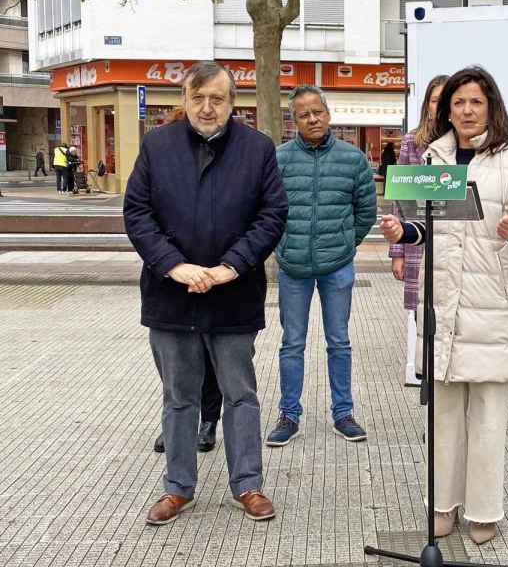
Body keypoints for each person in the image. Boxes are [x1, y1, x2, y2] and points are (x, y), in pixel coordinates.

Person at [379, 66, 508, 545]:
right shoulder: (434, 158)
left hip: (491, 306)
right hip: (442, 306)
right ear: (446, 110)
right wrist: (401, 232)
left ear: (491, 106)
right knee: (444, 416)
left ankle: (484, 511)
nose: (467, 111)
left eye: (476, 102)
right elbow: (425, 229)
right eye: (458, 103)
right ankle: (442, 506)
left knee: (489, 419)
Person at [124, 60, 288, 525]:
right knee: (179, 396)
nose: (207, 107)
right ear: (185, 101)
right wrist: (174, 265)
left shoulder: (258, 149)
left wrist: (229, 267)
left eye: (217, 98)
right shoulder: (157, 146)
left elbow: (272, 215)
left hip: (232, 294)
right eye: (198, 98)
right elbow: (137, 213)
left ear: (233, 103)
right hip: (171, 294)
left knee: (240, 393)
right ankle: (178, 488)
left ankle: (248, 485)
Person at [264, 85, 377, 447]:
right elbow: (269, 211)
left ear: (328, 113)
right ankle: (288, 414)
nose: (312, 119)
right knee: (291, 343)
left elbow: (366, 211)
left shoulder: (353, 158)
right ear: (293, 120)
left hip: (337, 266)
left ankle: (343, 413)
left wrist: (347, 243)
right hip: (293, 266)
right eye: (303, 114)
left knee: (339, 342)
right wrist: (282, 245)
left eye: (318, 112)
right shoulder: (279, 159)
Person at [389, 74, 448, 386]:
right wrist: (397, 253)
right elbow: (401, 198)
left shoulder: (466, 143)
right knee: (422, 313)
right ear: (427, 105)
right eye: (435, 100)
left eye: (445, 99)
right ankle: (426, 373)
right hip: (418, 243)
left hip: (454, 244)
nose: (439, 106)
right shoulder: (413, 141)